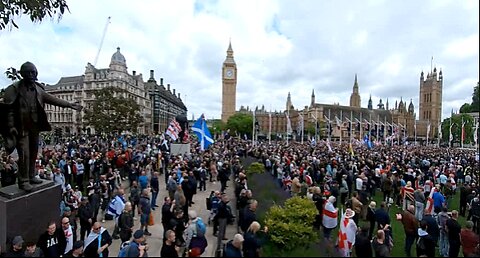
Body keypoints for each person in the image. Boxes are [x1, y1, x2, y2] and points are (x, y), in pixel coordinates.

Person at [0, 61, 82, 191]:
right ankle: (23, 181)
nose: (32, 75)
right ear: (23, 74)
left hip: (34, 126)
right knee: (24, 154)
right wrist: (11, 126)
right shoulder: (13, 89)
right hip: (21, 128)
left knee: (33, 153)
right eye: (29, 72)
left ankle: (32, 175)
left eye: (34, 72)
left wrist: (69, 104)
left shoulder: (38, 89)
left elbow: (54, 99)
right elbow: (8, 110)